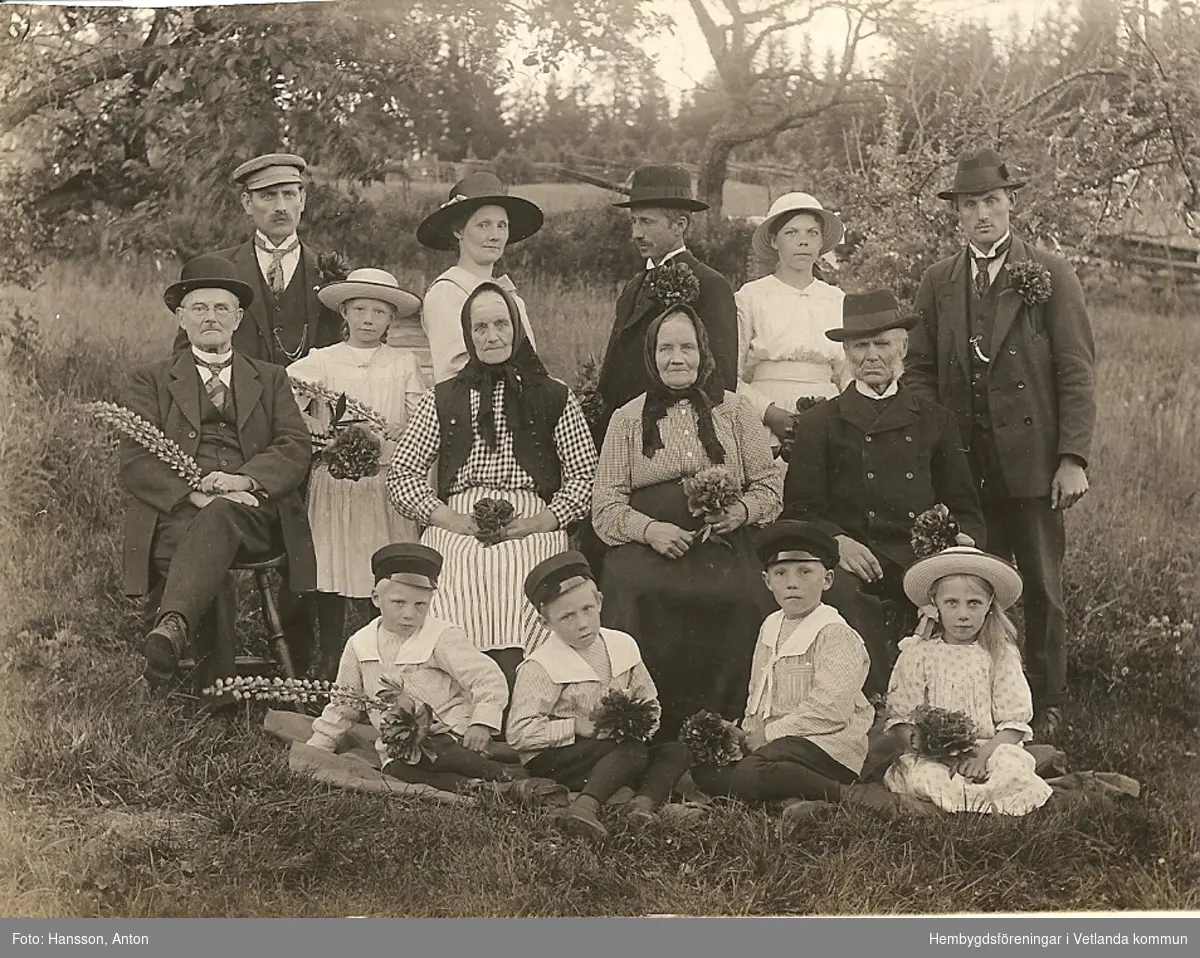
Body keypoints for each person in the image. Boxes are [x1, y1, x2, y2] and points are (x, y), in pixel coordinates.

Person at [906, 148, 1096, 739]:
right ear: (956, 214)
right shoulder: (939, 281)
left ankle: (1047, 698)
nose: (981, 213)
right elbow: (918, 371)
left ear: (1010, 202)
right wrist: (932, 447)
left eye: (991, 200)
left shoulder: (1050, 274)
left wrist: (1072, 458)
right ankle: (970, 699)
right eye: (969, 205)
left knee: (1039, 585)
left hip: (1034, 465)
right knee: (965, 585)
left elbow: (1076, 370)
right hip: (965, 468)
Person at [177, 152, 344, 676]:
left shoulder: (330, 274)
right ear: (247, 205)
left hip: (312, 435)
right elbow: (185, 360)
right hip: (236, 437)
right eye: (267, 196)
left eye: (290, 194)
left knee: (308, 530)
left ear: (304, 201)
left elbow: (352, 353)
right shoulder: (221, 273)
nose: (280, 206)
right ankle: (215, 659)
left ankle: (315, 653)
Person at [386, 282, 597, 695]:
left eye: (501, 324)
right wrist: (450, 518)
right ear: (468, 334)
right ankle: (461, 691)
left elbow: (585, 478)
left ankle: (528, 688)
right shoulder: (443, 398)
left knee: (529, 563)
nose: (492, 336)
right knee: (455, 568)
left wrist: (541, 521)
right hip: (460, 515)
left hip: (532, 515)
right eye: (480, 327)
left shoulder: (554, 395)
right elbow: (403, 475)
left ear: (517, 328)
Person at [124, 255, 316, 702]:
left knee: (219, 520)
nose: (210, 317)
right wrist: (192, 496)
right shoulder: (150, 380)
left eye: (220, 308)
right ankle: (217, 692)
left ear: (238, 318)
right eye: (199, 308)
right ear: (181, 317)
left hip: (254, 515)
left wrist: (243, 482)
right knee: (202, 532)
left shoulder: (269, 378)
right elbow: (135, 459)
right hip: (181, 511)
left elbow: (294, 447)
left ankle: (173, 627)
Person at [592, 305, 782, 739]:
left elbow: (769, 485)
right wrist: (649, 530)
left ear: (703, 352)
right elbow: (605, 505)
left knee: (746, 596)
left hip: (723, 538)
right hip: (649, 542)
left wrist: (741, 512)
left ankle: (724, 724)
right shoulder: (626, 418)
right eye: (665, 348)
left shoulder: (733, 411)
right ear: (650, 356)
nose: (677, 359)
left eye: (687, 347)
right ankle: (645, 723)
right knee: (640, 593)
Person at [783, 290, 985, 697]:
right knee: (840, 593)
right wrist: (836, 542)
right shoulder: (820, 423)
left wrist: (955, 549)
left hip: (919, 561)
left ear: (903, 348)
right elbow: (799, 511)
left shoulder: (935, 421)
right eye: (860, 346)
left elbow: (966, 510)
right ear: (844, 352)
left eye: (882, 344)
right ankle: (870, 703)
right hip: (851, 560)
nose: (872, 356)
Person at [305, 543, 568, 805]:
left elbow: (487, 677)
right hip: (400, 746)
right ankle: (483, 789)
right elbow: (344, 704)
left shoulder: (440, 636)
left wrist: (481, 723)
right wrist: (317, 749)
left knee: (437, 748)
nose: (409, 613)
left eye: (420, 604)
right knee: (395, 770)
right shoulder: (360, 644)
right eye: (399, 603)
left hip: (450, 731)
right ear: (376, 598)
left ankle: (503, 776)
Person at [690, 521, 919, 821]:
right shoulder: (771, 625)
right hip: (777, 749)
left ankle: (850, 794)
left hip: (826, 746)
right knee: (704, 768)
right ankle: (795, 801)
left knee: (750, 771)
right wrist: (747, 732)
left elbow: (831, 710)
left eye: (805, 572)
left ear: (827, 579)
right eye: (780, 573)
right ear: (766, 580)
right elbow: (758, 690)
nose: (792, 583)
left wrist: (768, 735)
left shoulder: (833, 632)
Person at [287, 268, 428, 676]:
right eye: (360, 309)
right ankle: (331, 660)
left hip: (383, 481)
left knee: (381, 566)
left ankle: (381, 657)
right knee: (333, 566)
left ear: (391, 320)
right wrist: (315, 428)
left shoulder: (402, 362)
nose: (369, 319)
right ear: (345, 313)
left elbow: (420, 416)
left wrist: (401, 429)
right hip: (337, 480)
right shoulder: (322, 361)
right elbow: (285, 400)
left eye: (380, 312)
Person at [506, 551, 694, 842]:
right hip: (561, 755)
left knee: (675, 751)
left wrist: (642, 724)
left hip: (617, 751)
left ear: (600, 602)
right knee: (632, 752)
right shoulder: (540, 665)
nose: (582, 623)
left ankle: (640, 806)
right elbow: (519, 733)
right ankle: (584, 807)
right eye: (566, 616)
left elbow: (650, 701)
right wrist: (575, 726)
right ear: (545, 623)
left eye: (587, 609)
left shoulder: (622, 644)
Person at [882, 546, 1054, 816]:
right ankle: (976, 804)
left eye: (974, 603)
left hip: (989, 747)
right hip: (934, 753)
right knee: (924, 776)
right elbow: (900, 718)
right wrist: (929, 747)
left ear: (988, 607)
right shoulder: (919, 654)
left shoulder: (999, 653)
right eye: (952, 603)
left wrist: (982, 756)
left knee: (1013, 768)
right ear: (935, 604)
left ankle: (963, 804)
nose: (963, 614)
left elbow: (1014, 724)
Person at [594, 164, 739, 445]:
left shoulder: (710, 285)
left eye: (647, 222)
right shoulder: (633, 287)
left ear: (680, 225)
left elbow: (720, 380)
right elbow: (614, 368)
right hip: (626, 434)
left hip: (677, 437)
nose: (636, 233)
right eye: (633, 222)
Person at [736, 192, 847, 452]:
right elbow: (731, 375)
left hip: (828, 411)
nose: (803, 242)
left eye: (812, 233)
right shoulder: (750, 297)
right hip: (766, 413)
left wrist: (838, 412)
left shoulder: (836, 299)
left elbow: (848, 372)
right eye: (792, 233)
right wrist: (769, 413)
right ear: (774, 241)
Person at [416, 172, 544, 384]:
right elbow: (454, 373)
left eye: (501, 225)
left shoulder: (510, 296)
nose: (495, 235)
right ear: (459, 231)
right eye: (483, 225)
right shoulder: (448, 292)